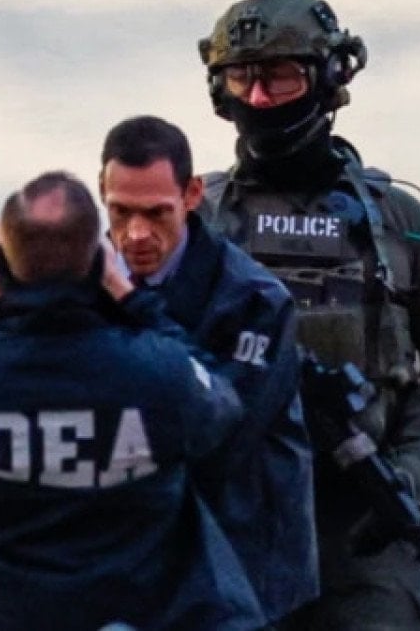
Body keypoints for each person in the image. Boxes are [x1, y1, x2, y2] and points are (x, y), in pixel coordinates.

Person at [0, 171, 263, 630]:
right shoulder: (160, 370)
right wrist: (132, 298)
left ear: (1, 266)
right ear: (98, 264)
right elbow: (223, 411)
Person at [198, 0, 420, 629]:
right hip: (228, 514)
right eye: (242, 78)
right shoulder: (193, 220)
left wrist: (407, 474)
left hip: (360, 523)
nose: (259, 98)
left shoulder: (400, 224)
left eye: (281, 78)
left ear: (328, 79)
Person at [97, 115, 316, 623]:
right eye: (121, 212)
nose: (136, 234)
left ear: (192, 195)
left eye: (157, 213)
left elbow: (217, 432)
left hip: (237, 559)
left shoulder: (254, 300)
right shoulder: (80, 280)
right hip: (125, 555)